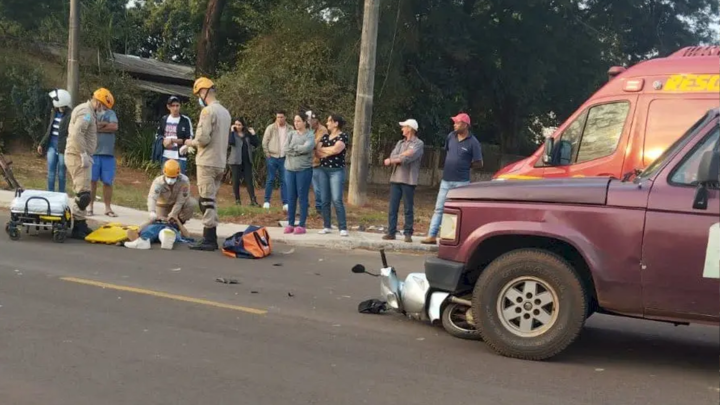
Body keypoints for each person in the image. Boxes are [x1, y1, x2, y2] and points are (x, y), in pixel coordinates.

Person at [183, 77, 232, 251]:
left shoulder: (207, 112)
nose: (198, 97)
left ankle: (209, 238)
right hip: (220, 161)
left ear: (203, 92)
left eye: (198, 94)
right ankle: (210, 235)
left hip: (207, 161)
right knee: (211, 199)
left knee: (205, 200)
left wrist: (190, 142)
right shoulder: (225, 112)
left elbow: (203, 139)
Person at [421, 112, 483, 245]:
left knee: (456, 212)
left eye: (457, 122)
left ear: (465, 125)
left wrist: (467, 165)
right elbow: (448, 151)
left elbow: (479, 162)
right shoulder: (451, 137)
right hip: (446, 180)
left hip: (461, 182)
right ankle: (431, 235)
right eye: (454, 122)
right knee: (439, 209)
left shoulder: (473, 142)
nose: (454, 125)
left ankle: (450, 238)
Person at [65, 88, 114, 239]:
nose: (104, 110)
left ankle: (81, 222)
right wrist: (83, 153)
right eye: (104, 107)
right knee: (83, 194)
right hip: (77, 155)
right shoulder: (86, 112)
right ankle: (77, 227)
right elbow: (76, 133)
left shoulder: (89, 112)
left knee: (84, 190)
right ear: (99, 102)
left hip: (81, 155)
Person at [383, 119, 424, 243]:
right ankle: (391, 232)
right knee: (392, 207)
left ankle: (408, 233)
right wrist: (400, 156)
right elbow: (392, 156)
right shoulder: (400, 143)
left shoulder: (418, 143)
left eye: (404, 127)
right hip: (396, 178)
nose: (402, 129)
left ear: (410, 128)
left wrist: (395, 159)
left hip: (409, 180)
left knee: (408, 208)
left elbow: (407, 159)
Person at [315, 114, 349, 237]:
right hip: (323, 170)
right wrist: (329, 150)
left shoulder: (343, 136)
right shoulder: (325, 137)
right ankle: (326, 225)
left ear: (336, 123)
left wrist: (326, 150)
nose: (327, 123)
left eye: (329, 121)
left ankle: (343, 227)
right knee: (324, 199)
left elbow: (337, 150)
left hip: (336, 171)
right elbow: (317, 153)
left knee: (336, 199)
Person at [283, 113, 316, 235]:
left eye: (299, 121)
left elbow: (307, 148)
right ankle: (290, 223)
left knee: (302, 197)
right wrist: (298, 148)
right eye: (295, 121)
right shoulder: (291, 134)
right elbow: (285, 148)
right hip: (289, 169)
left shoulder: (310, 135)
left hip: (303, 170)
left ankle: (302, 224)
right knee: (291, 196)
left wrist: (294, 148)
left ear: (304, 122)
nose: (296, 123)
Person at [38, 89, 72, 193]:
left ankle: (61, 194)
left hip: (63, 147)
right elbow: (49, 130)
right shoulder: (54, 112)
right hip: (51, 146)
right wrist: (42, 144)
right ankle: (50, 193)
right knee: (51, 172)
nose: (53, 101)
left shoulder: (70, 115)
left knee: (62, 173)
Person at [89, 102, 119, 217]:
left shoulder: (111, 113)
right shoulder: (90, 112)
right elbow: (88, 126)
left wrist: (98, 126)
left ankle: (107, 208)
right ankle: (90, 206)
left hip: (108, 154)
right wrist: (105, 124)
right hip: (93, 153)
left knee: (108, 182)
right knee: (92, 181)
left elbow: (114, 126)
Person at [147, 159, 197, 225]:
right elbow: (152, 198)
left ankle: (179, 222)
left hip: (177, 206)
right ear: (164, 172)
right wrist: (152, 212)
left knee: (191, 202)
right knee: (158, 224)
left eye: (173, 177)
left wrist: (173, 214)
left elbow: (180, 201)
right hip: (162, 206)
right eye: (168, 177)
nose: (170, 180)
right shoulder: (158, 182)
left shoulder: (184, 181)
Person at [157, 95, 194, 175]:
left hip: (180, 157)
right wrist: (163, 142)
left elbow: (189, 139)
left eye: (177, 105)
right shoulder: (164, 119)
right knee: (165, 182)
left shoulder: (185, 120)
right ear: (168, 107)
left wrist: (172, 140)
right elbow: (158, 135)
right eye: (173, 106)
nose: (175, 108)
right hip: (165, 156)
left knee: (180, 183)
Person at [261, 110, 289, 212]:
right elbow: (264, 142)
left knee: (284, 180)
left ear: (285, 117)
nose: (280, 119)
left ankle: (286, 203)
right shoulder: (271, 128)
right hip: (272, 157)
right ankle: (267, 201)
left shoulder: (290, 129)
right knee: (270, 179)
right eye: (278, 117)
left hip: (284, 157)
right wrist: (267, 154)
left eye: (281, 117)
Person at [228, 118, 259, 206]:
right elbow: (231, 142)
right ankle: (237, 200)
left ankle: (253, 200)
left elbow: (256, 143)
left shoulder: (247, 134)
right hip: (236, 161)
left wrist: (253, 134)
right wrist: (232, 131)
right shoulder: (233, 134)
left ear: (243, 125)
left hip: (246, 160)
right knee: (236, 181)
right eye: (236, 124)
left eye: (239, 125)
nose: (238, 126)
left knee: (249, 180)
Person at [307, 110, 328, 215]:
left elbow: (314, 143)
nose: (310, 121)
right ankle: (305, 207)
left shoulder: (322, 130)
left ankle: (320, 208)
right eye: (309, 120)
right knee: (304, 187)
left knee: (317, 188)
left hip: (317, 163)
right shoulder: (308, 129)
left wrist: (306, 144)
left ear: (316, 120)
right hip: (306, 162)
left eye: (312, 119)